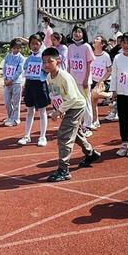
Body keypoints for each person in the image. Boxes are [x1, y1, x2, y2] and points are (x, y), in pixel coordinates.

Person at [42, 47, 102, 181]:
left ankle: (64, 170)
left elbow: (73, 98)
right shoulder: (48, 77)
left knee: (64, 136)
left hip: (76, 106)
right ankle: (90, 153)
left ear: (58, 61)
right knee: (75, 134)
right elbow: (55, 94)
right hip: (68, 106)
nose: (46, 64)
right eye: (44, 62)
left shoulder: (64, 77)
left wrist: (59, 111)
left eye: (49, 61)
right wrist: (58, 108)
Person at [18, 34, 50, 146]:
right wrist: (24, 87)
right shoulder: (28, 59)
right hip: (30, 85)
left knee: (42, 111)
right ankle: (27, 136)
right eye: (32, 44)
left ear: (41, 44)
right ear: (29, 45)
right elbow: (26, 74)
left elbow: (48, 72)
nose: (34, 46)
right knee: (29, 111)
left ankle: (42, 136)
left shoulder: (44, 58)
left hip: (40, 85)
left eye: (37, 43)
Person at [67, 25, 95, 133]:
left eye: (79, 32)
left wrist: (86, 79)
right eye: (75, 32)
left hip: (83, 80)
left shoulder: (86, 47)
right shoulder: (70, 47)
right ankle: (78, 123)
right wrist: (68, 78)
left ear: (83, 34)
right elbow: (69, 64)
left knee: (86, 101)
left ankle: (88, 124)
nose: (76, 34)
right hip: (73, 79)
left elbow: (88, 65)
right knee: (76, 102)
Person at [88, 35, 112, 130]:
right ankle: (95, 120)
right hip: (92, 81)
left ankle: (111, 95)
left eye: (97, 39)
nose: (94, 40)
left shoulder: (105, 56)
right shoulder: (90, 53)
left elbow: (110, 70)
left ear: (102, 44)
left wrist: (101, 81)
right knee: (92, 100)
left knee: (94, 94)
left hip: (104, 81)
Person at [2, 38, 25, 126]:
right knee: (7, 101)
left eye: (18, 48)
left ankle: (15, 119)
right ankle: (10, 117)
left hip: (16, 83)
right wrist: (5, 79)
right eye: (14, 48)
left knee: (16, 102)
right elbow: (4, 68)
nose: (16, 50)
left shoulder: (21, 58)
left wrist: (11, 80)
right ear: (11, 48)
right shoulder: (8, 56)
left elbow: (19, 71)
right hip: (7, 82)